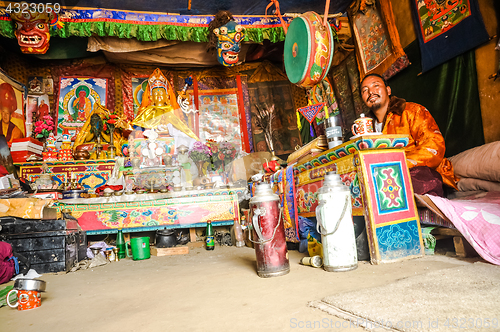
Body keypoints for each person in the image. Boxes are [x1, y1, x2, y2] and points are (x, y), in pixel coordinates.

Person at [360, 73, 458, 196]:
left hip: (417, 172)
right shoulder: (365, 130)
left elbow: (434, 145)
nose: (371, 92)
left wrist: (398, 165)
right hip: (383, 179)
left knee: (417, 180)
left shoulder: (411, 111)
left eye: (376, 85)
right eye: (365, 90)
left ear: (388, 90)